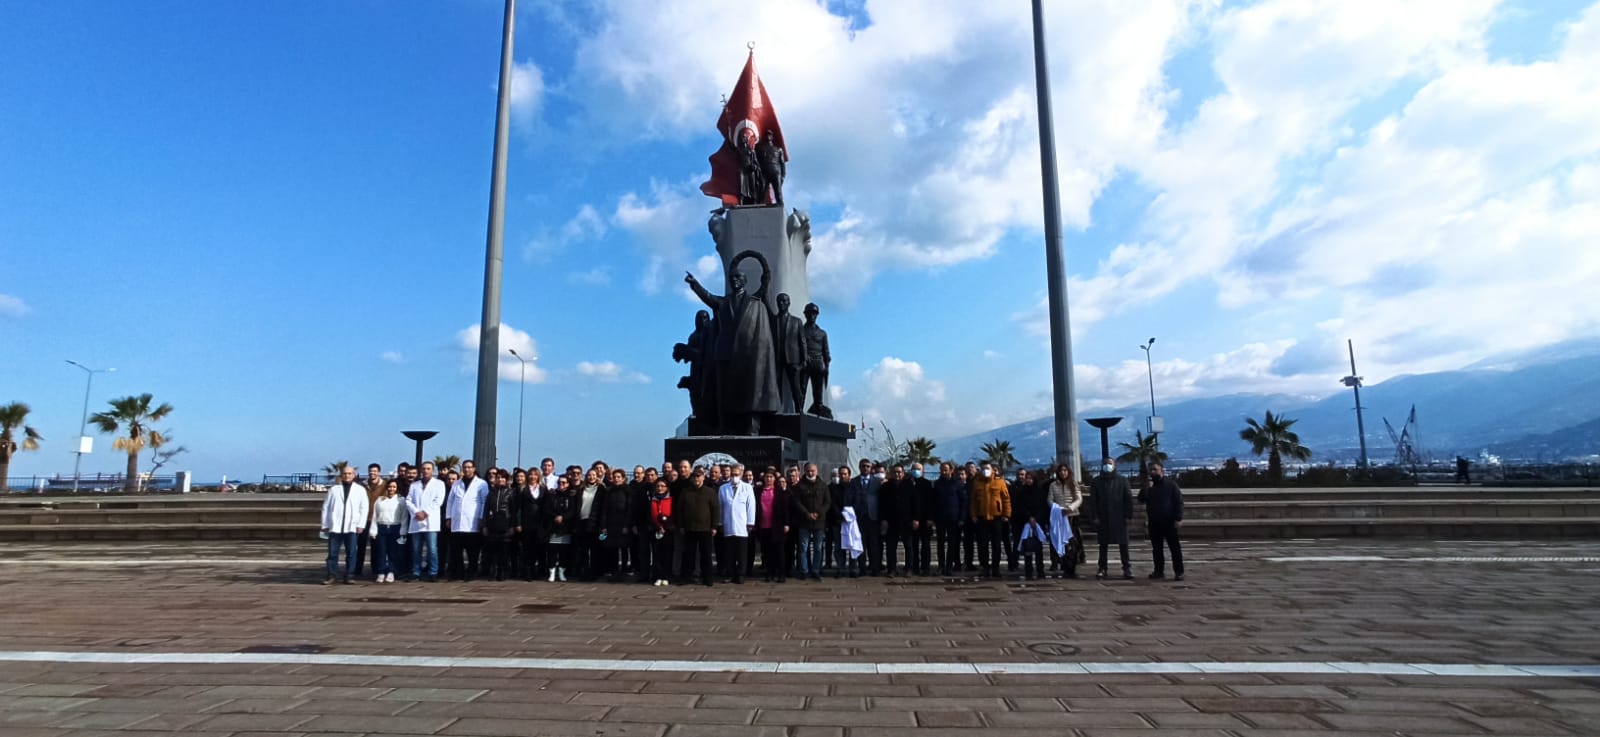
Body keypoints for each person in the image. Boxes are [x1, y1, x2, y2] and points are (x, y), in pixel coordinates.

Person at [320, 465, 369, 585]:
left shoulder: (360, 490)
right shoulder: (333, 490)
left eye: (349, 473)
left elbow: (364, 508)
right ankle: (332, 575)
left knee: (351, 553)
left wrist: (361, 524)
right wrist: (325, 524)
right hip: (335, 526)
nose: (347, 476)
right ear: (341, 475)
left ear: (354, 475)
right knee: (332, 553)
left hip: (352, 526)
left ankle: (349, 575)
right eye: (345, 473)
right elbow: (326, 507)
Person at [675, 467, 721, 586]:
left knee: (706, 555)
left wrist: (714, 526)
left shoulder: (710, 492)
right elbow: (679, 510)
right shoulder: (685, 492)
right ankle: (687, 577)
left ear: (703, 477)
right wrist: (681, 525)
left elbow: (715, 510)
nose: (696, 478)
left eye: (698, 476)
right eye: (694, 476)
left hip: (705, 529)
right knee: (689, 555)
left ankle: (708, 578)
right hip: (689, 528)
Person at [1090, 458, 1134, 580]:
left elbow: (1128, 499)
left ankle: (1127, 568)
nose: (1107, 466)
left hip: (1119, 517)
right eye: (1105, 464)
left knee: (1123, 544)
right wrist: (1095, 516)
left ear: (1114, 465)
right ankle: (1102, 568)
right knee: (1103, 545)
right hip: (1103, 517)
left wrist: (1128, 515)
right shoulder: (1096, 481)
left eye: (1109, 464)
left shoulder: (1122, 480)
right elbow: (1093, 501)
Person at [446, 460, 489, 581]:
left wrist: (482, 518)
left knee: (472, 552)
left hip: (472, 523)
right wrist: (448, 517)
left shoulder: (481, 484)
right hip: (457, 522)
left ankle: (471, 573)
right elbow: (450, 501)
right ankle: (458, 573)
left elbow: (484, 502)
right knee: (456, 551)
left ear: (474, 469)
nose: (467, 469)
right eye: (465, 467)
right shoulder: (457, 483)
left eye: (469, 467)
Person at [1142, 462, 1185, 581]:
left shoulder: (1171, 485)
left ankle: (1179, 572)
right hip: (1154, 522)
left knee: (1174, 548)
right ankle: (1158, 571)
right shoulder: (1149, 486)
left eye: (1155, 469)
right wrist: (1147, 488)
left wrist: (1178, 518)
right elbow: (1141, 499)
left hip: (1169, 522)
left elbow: (1179, 502)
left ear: (1162, 471)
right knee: (1157, 549)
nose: (1152, 472)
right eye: (1151, 470)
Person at [969, 460, 1011, 579]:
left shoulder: (1000, 482)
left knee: (996, 545)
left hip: (997, 518)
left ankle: (995, 568)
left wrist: (1006, 514)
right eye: (983, 468)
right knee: (982, 545)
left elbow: (1006, 499)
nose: (985, 470)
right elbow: (973, 501)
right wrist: (973, 515)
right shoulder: (977, 483)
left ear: (992, 470)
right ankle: (985, 568)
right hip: (982, 518)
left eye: (987, 468)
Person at [406, 461, 446, 582]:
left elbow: (438, 501)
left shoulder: (439, 484)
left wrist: (425, 512)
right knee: (416, 549)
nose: (426, 471)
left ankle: (433, 572)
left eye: (428, 468)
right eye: (424, 468)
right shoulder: (415, 485)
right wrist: (416, 512)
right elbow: (408, 500)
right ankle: (416, 572)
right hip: (416, 520)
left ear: (432, 470)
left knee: (432, 549)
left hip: (430, 521)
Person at [790, 462, 830, 581]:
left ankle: (816, 570)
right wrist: (807, 513)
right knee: (803, 548)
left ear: (816, 471)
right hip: (804, 521)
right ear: (804, 471)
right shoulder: (800, 486)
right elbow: (797, 502)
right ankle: (804, 570)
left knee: (818, 548)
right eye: (808, 471)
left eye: (812, 471)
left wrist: (818, 513)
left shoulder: (823, 485)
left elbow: (827, 502)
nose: (810, 473)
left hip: (819, 521)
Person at [596, 469, 637, 582]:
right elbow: (604, 509)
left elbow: (630, 509)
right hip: (611, 524)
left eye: (619, 477)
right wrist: (604, 526)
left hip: (623, 523)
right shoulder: (609, 491)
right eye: (615, 477)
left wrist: (627, 525)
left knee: (624, 548)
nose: (616, 479)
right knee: (612, 548)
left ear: (623, 478)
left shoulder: (628, 491)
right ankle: (614, 570)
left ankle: (624, 569)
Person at [881, 465, 922, 577]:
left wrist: (916, 519)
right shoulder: (886, 487)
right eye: (895, 472)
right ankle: (892, 569)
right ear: (891, 473)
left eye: (899, 472)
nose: (897, 474)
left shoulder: (909, 486)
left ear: (903, 473)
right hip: (891, 521)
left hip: (906, 521)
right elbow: (882, 505)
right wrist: (883, 519)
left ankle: (909, 568)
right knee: (891, 547)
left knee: (908, 546)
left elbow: (916, 503)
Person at [845, 459, 883, 576]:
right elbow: (849, 499)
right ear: (859, 467)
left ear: (871, 468)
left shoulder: (877, 482)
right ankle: (862, 568)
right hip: (859, 518)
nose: (865, 468)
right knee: (860, 544)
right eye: (863, 466)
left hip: (873, 517)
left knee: (874, 544)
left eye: (867, 466)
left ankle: (875, 568)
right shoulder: (854, 481)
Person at [718, 464, 755, 583]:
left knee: (741, 553)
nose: (734, 477)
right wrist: (720, 522)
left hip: (742, 525)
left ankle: (741, 574)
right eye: (732, 475)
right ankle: (731, 573)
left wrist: (750, 522)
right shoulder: (723, 488)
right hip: (728, 524)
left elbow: (751, 506)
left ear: (741, 475)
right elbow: (720, 507)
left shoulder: (747, 488)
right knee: (729, 552)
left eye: (736, 475)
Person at [1046, 463, 1084, 579]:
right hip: (1059, 516)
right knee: (1060, 542)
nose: (1063, 472)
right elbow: (1050, 500)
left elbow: (1079, 498)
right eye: (1061, 470)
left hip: (1072, 515)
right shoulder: (1053, 485)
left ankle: (1072, 566)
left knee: (1073, 542)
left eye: (1065, 470)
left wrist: (1071, 507)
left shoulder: (1073, 484)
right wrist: (1058, 509)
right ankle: (1061, 564)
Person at [481, 468, 519, 581]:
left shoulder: (511, 492)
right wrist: (484, 525)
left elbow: (514, 511)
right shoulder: (491, 492)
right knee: (493, 550)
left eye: (503, 478)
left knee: (504, 551)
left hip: (506, 524)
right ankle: (494, 571)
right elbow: (486, 509)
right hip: (493, 524)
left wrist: (513, 526)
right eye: (498, 477)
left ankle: (503, 572)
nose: (500, 479)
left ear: (506, 479)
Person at [1012, 467, 1049, 580]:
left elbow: (1043, 508)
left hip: (1038, 523)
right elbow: (1020, 507)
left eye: (1031, 478)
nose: (1028, 480)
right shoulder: (1022, 492)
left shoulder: (1040, 492)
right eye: (1027, 478)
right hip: (1025, 522)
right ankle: (1028, 570)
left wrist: (1036, 518)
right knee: (1027, 547)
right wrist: (1028, 517)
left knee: (1038, 548)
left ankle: (1040, 570)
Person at [753, 469, 789, 583]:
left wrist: (786, 523)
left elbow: (785, 508)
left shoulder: (779, 491)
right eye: (767, 477)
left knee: (779, 551)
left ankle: (781, 574)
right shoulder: (758, 491)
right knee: (767, 552)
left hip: (777, 525)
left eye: (771, 477)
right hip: (763, 525)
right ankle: (769, 573)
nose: (769, 479)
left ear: (775, 479)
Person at [772, 293, 806, 414]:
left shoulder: (797, 321)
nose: (781, 303)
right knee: (776, 387)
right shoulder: (773, 320)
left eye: (784, 301)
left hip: (793, 359)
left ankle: (799, 410)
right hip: (777, 359)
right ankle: (777, 410)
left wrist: (804, 360)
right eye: (779, 301)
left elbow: (802, 341)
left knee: (796, 387)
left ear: (789, 303)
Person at [368, 479, 407, 583]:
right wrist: (373, 530)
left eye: (394, 487)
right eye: (390, 487)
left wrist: (403, 531)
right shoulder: (380, 500)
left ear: (397, 488)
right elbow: (375, 516)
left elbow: (404, 517)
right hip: (382, 527)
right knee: (381, 551)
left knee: (393, 552)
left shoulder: (401, 500)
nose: (391, 489)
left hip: (395, 527)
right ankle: (381, 572)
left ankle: (391, 571)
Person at [931, 462, 966, 577]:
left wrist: (961, 518)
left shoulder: (958, 483)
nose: (943, 472)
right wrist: (933, 517)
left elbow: (963, 502)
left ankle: (949, 566)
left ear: (951, 470)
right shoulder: (937, 484)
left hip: (953, 518)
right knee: (940, 543)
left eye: (945, 470)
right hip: (940, 518)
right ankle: (941, 566)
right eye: (941, 470)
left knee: (952, 543)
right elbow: (933, 502)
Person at [543, 475, 578, 582]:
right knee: (552, 551)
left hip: (566, 528)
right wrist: (555, 516)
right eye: (559, 482)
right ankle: (552, 572)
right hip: (553, 527)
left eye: (564, 482)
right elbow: (547, 509)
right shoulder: (552, 495)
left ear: (568, 484)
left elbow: (573, 510)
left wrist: (563, 517)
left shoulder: (571, 496)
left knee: (564, 552)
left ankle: (562, 572)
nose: (561, 485)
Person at [354, 462, 384, 576]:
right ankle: (357, 569)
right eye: (371, 471)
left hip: (377, 519)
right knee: (360, 546)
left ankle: (375, 569)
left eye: (375, 471)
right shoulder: (362, 485)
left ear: (379, 472)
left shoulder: (384, 485)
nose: (372, 473)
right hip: (364, 519)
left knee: (376, 546)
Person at [574, 468, 604, 581]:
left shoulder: (601, 489)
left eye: (593, 475)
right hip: (582, 521)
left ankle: (594, 573)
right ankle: (584, 572)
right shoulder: (581, 489)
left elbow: (603, 508)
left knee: (595, 549)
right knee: (583, 549)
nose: (591, 477)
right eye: (589, 475)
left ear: (597, 477)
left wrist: (602, 525)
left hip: (595, 523)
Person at [643, 479, 674, 586]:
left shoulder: (671, 499)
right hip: (655, 530)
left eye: (662, 486)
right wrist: (657, 526)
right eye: (658, 486)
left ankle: (666, 576)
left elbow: (673, 514)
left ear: (667, 488)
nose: (660, 488)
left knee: (667, 554)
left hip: (668, 530)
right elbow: (649, 515)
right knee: (656, 554)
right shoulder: (652, 500)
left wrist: (666, 526)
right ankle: (657, 576)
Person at [908, 462, 936, 576]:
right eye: (914, 469)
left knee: (925, 545)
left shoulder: (927, 484)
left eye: (918, 469)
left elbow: (931, 502)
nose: (916, 471)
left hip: (925, 520)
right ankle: (914, 567)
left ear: (923, 470)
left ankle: (925, 567)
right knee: (913, 545)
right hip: (911, 520)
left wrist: (930, 518)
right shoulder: (907, 484)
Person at [518, 469, 546, 581]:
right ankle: (527, 572)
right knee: (527, 548)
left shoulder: (543, 489)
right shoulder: (523, 490)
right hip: (526, 523)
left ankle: (537, 571)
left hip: (539, 523)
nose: (533, 477)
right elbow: (518, 508)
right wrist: (518, 523)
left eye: (535, 475)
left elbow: (546, 506)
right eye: (530, 474)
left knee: (537, 548)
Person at [826, 466, 850, 576]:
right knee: (839, 546)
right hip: (838, 520)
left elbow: (856, 501)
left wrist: (849, 515)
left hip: (851, 521)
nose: (842, 476)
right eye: (841, 474)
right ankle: (841, 567)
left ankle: (853, 567)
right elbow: (833, 504)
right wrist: (840, 515)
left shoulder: (853, 487)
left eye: (845, 474)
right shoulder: (834, 489)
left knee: (852, 545)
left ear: (849, 475)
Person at [756, 129, 785, 205]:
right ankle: (759, 207)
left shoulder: (778, 149)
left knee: (778, 193)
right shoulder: (760, 148)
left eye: (769, 134)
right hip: (764, 172)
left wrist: (783, 176)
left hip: (775, 172)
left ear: (772, 137)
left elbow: (782, 164)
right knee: (761, 192)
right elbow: (757, 161)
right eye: (766, 135)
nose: (768, 136)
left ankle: (780, 206)